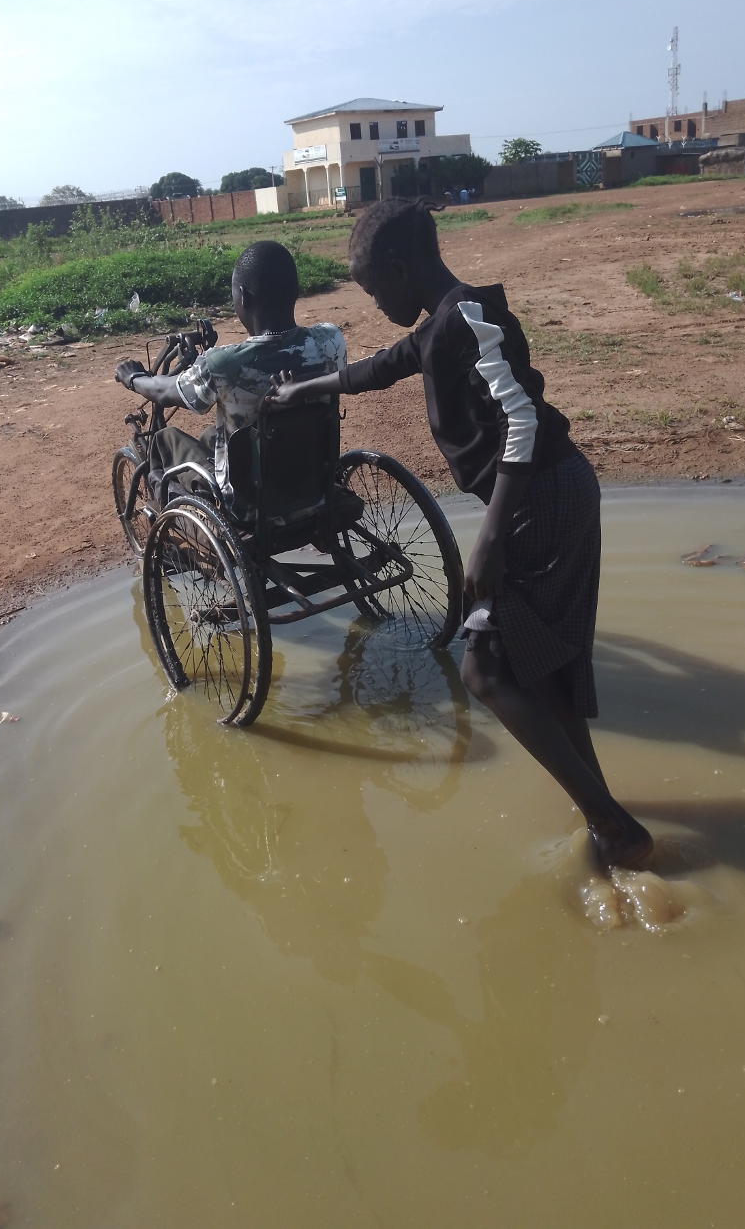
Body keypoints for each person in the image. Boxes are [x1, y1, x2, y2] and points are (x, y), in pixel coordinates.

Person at [266, 198, 652, 869]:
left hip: (544, 500)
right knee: (548, 672)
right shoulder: (437, 329)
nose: (377, 303)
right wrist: (302, 391)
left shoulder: (470, 318)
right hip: (545, 494)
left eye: (374, 288)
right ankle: (602, 816)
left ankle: (614, 827)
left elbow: (523, 419)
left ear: (399, 266)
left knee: (481, 668)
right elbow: (375, 369)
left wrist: (491, 536)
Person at [115, 241, 345, 506]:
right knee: (211, 436)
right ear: (295, 291)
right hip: (314, 486)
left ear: (243, 297)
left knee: (166, 439)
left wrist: (133, 378)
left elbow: (164, 392)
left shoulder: (223, 364)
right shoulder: (330, 339)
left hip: (250, 505)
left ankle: (165, 517)